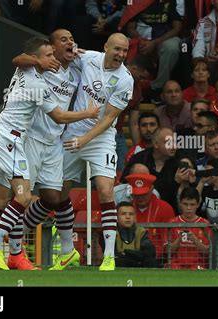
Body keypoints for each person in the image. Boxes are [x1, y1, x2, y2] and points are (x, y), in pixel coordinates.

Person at [0, 37, 100, 271]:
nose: (53, 59)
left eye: (54, 55)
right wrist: (89, 112)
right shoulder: (39, 85)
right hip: (12, 139)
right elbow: (60, 116)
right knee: (22, 197)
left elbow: (20, 58)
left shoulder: (24, 70)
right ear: (36, 59)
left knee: (0, 195)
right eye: (49, 55)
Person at [8, 29, 85, 271]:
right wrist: (39, 59)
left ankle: (19, 237)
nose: (70, 42)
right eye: (63, 40)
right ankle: (14, 251)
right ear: (51, 48)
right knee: (22, 195)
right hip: (31, 137)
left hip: (54, 142)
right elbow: (18, 59)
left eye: (72, 39)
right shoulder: (38, 66)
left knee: (53, 197)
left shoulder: (75, 70)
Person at [59, 33, 134, 271]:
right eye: (117, 49)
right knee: (58, 193)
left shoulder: (125, 79)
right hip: (73, 132)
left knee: (105, 190)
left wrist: (85, 139)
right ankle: (66, 251)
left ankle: (109, 256)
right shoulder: (89, 58)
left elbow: (110, 117)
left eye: (125, 50)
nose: (121, 54)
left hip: (100, 138)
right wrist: (69, 47)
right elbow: (66, 56)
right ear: (105, 47)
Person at [125, 173, 175, 265]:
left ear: (152, 189)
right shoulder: (126, 209)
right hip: (131, 257)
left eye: (144, 194)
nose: (140, 198)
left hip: (157, 259)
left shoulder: (165, 208)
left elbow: (168, 240)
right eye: (136, 194)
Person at [169, 187, 211, 269]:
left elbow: (208, 252)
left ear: (198, 204)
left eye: (192, 205)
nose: (188, 208)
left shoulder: (205, 224)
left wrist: (195, 240)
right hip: (176, 265)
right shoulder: (172, 223)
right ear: (180, 203)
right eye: (185, 204)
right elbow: (167, 251)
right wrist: (179, 239)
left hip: (198, 265)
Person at [113, 201, 157, 268]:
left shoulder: (141, 232)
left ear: (135, 217)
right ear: (116, 218)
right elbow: (113, 256)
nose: (128, 217)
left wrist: (125, 252)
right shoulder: (111, 233)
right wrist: (136, 255)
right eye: (123, 214)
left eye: (131, 214)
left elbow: (149, 254)